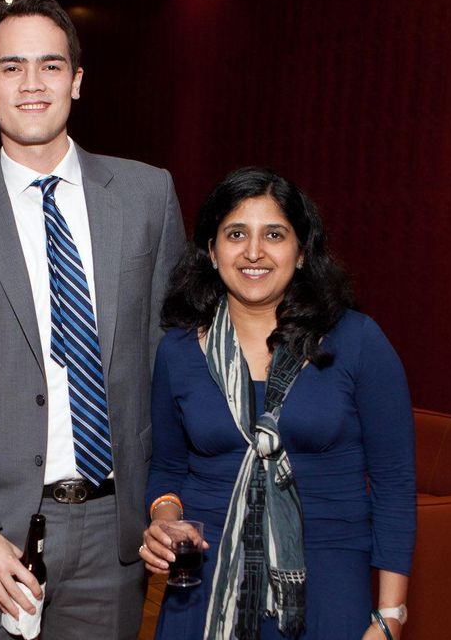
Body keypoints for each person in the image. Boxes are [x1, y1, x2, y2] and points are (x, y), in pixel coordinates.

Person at [0, 0, 185, 639]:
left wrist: (173, 495)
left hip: (115, 534)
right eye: (11, 66)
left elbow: (173, 354)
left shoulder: (148, 196)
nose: (32, 83)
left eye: (51, 65)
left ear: (77, 81)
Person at [141, 167, 415, 640]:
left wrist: (390, 615)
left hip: (328, 586)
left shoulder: (357, 341)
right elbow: (167, 467)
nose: (253, 252)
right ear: (210, 250)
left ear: (303, 251)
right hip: (204, 587)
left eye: (274, 234)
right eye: (234, 234)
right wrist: (165, 521)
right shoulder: (178, 351)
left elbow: (394, 485)